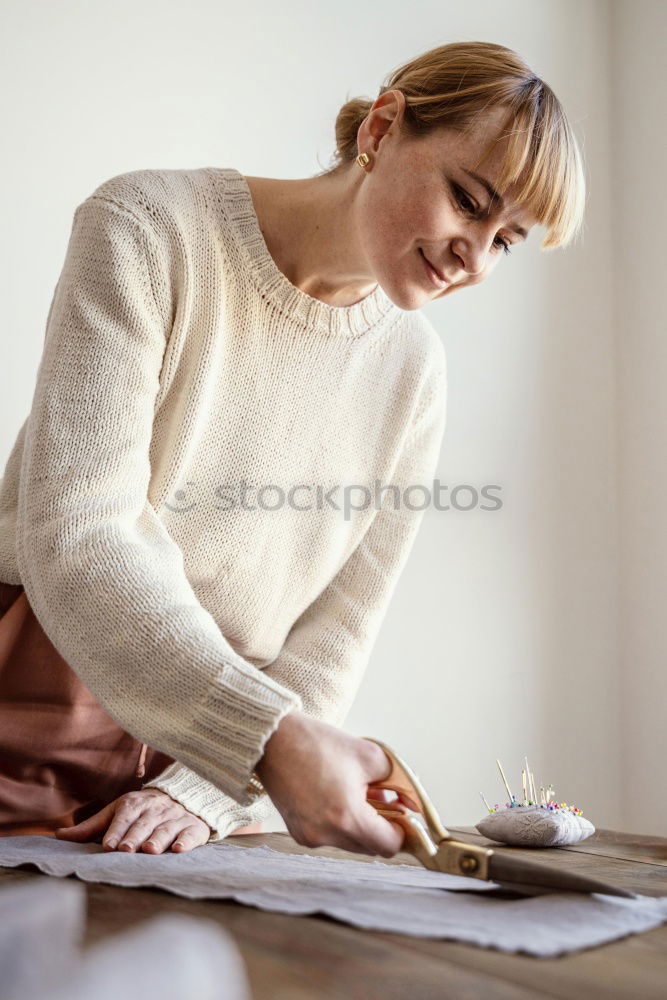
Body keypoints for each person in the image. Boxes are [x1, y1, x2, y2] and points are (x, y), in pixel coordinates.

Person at [0, 41, 584, 856]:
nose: (473, 257)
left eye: (507, 241)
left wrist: (211, 782)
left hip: (217, 764)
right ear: (382, 128)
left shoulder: (414, 372)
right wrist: (261, 739)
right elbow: (77, 530)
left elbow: (340, 625)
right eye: (467, 201)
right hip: (41, 691)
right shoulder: (147, 227)